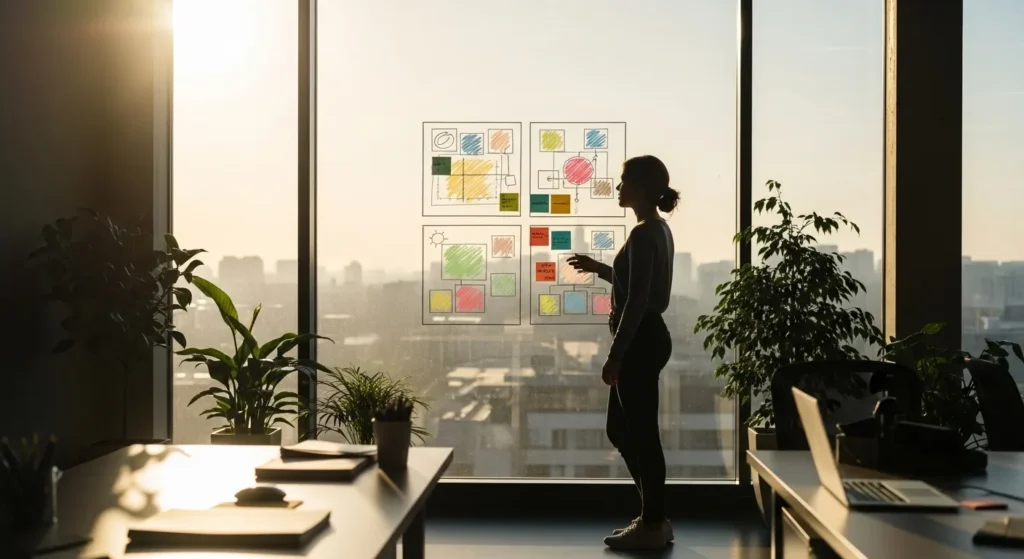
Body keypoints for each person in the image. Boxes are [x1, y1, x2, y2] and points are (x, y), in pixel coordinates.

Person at [567, 155, 678, 551]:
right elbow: (638, 285)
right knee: (624, 430)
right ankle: (654, 516)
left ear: (643, 188)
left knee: (642, 434)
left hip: (639, 340)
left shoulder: (645, 235)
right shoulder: (656, 230)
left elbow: (637, 301)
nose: (618, 188)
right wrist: (600, 268)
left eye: (624, 182)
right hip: (648, 337)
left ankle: (653, 521)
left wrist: (616, 355)